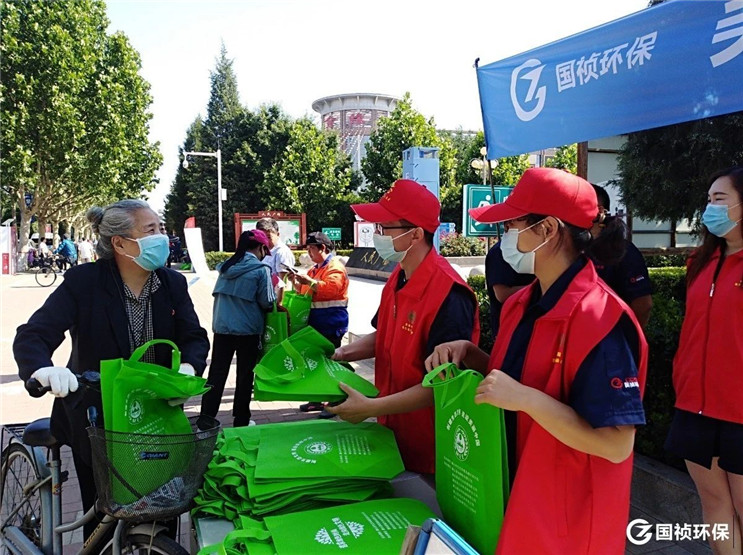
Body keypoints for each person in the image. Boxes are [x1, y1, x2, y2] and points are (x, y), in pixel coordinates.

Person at [425, 168, 647, 553]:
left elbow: (616, 443)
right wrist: (471, 355)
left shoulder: (599, 318)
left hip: (566, 525)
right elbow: (516, 380)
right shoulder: (521, 303)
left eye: (512, 225)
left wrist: (526, 399)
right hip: (517, 499)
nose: (506, 237)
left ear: (547, 229)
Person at [13, 199, 209, 538]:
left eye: (161, 229)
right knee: (102, 521)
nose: (162, 237)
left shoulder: (172, 284)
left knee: (162, 511)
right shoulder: (84, 282)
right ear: (119, 243)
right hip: (97, 419)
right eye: (151, 230)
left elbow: (194, 336)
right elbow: (34, 334)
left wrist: (189, 369)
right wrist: (43, 369)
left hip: (157, 416)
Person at [325, 179, 480, 476]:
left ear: (416, 234)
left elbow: (445, 384)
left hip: (431, 441)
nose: (378, 235)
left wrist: (371, 407)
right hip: (392, 428)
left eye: (385, 228)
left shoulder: (450, 294)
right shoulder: (398, 276)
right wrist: (340, 354)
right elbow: (384, 335)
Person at [665, 166, 743, 554]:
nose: (709, 208)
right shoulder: (700, 261)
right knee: (714, 504)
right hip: (694, 406)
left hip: (739, 409)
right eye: (708, 199)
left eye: (720, 199)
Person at [198, 229, 275, 429]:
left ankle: (205, 420)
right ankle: (241, 420)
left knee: (216, 375)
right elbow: (267, 301)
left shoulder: (226, 268)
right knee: (245, 376)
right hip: (248, 331)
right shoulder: (261, 270)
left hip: (222, 328)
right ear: (261, 248)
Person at [289, 231, 350, 417]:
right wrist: (296, 283)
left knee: (333, 361)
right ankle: (317, 398)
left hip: (332, 323)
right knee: (315, 361)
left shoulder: (335, 268)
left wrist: (310, 282)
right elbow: (306, 292)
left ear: (322, 248)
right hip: (317, 324)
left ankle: (338, 400)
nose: (308, 253)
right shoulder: (315, 269)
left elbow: (330, 289)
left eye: (311, 249)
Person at [590, 183, 653, 328]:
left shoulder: (622, 250)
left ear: (600, 211)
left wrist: (626, 336)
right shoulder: (573, 247)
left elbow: (644, 304)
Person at [485, 241, 534, 336]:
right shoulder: (500, 252)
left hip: (532, 324)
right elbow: (502, 294)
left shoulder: (535, 250)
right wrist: (541, 286)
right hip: (511, 329)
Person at [255, 217, 295, 300]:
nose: (265, 241)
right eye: (262, 238)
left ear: (278, 234)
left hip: (274, 301)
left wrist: (279, 303)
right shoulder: (264, 250)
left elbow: (284, 282)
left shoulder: (282, 252)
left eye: (269, 237)